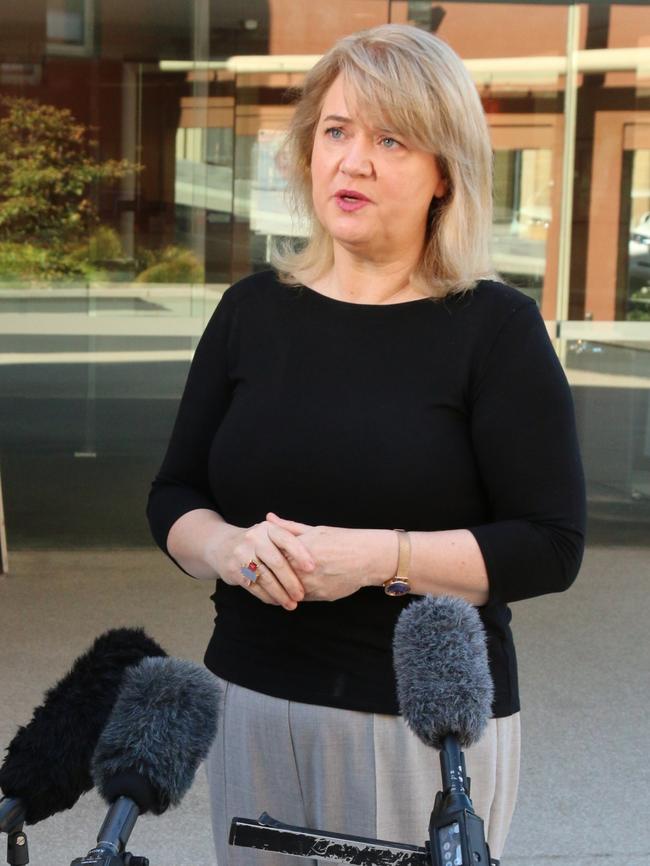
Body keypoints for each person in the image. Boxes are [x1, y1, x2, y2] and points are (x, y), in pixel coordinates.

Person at [147, 23, 585, 866]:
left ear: (443, 175)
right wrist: (231, 547)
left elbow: (550, 546)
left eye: (391, 139)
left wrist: (382, 558)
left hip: (416, 729)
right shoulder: (251, 311)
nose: (352, 162)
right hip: (251, 702)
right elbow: (173, 497)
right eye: (337, 131)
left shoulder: (494, 329)